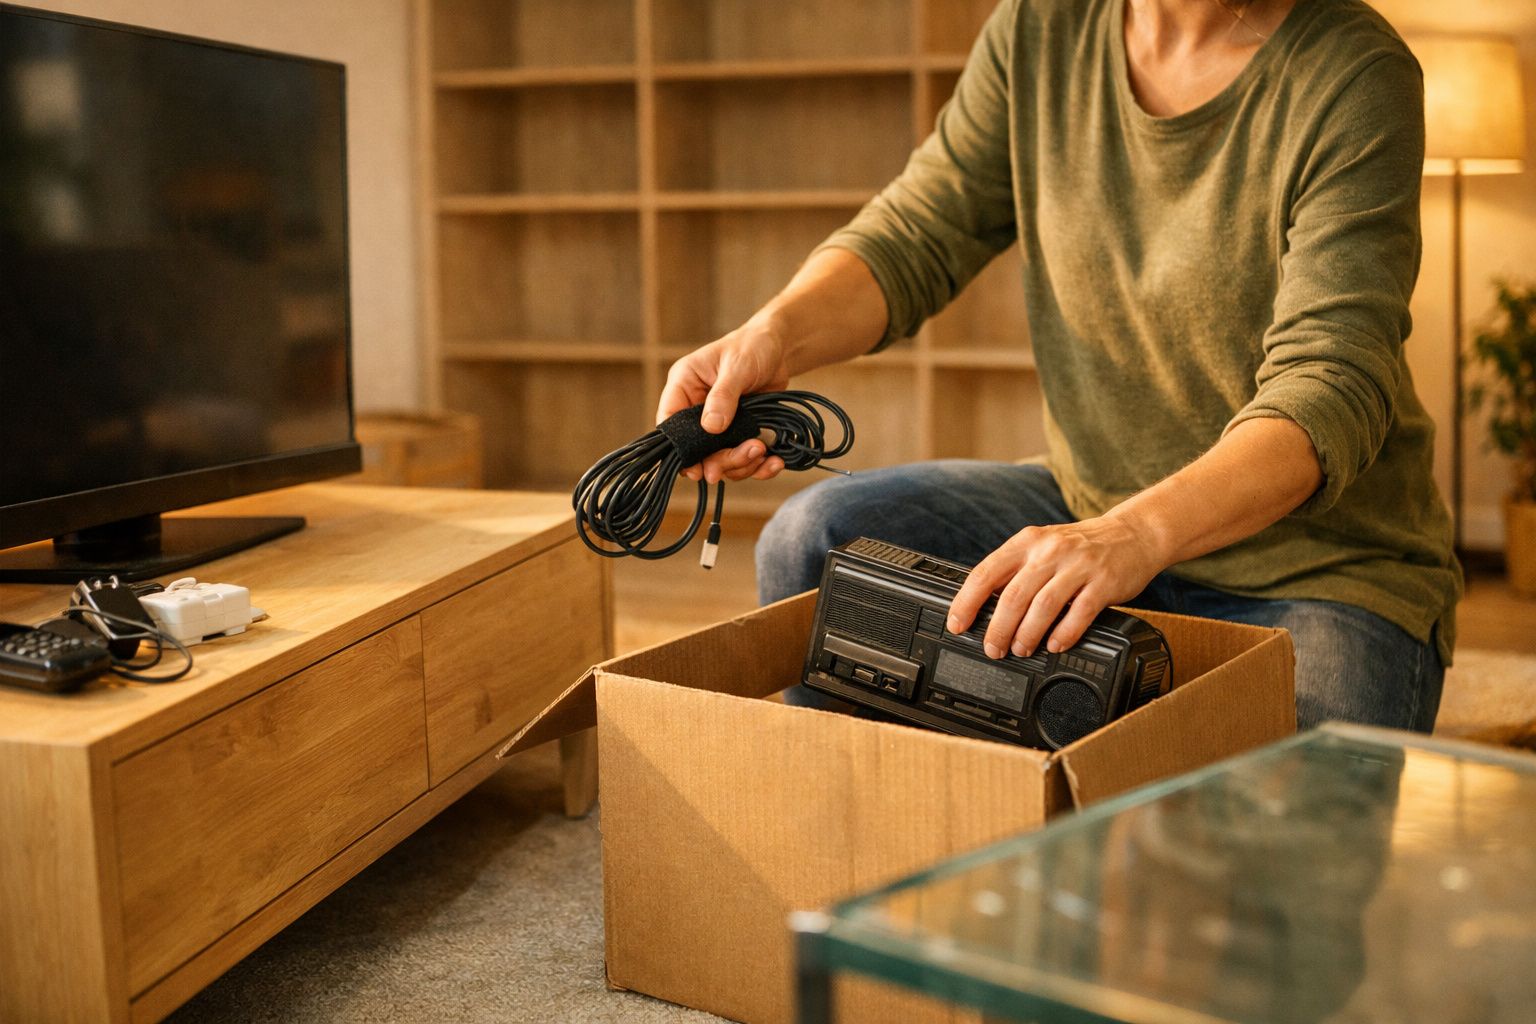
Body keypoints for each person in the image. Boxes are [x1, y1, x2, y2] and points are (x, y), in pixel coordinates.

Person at [655, 0, 1462, 732]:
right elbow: (917, 233)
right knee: (817, 542)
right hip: (1093, 504)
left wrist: (1133, 536)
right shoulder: (1042, 28)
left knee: (1262, 828)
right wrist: (775, 335)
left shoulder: (1356, 73)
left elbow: (1330, 385)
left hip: (1325, 568)